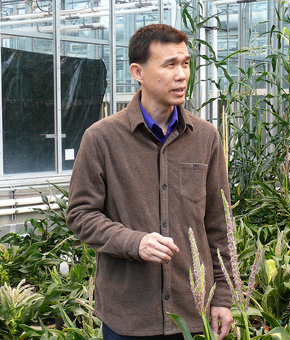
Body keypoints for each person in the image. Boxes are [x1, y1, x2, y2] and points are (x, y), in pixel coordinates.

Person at [67, 24, 233, 340]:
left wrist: (222, 296)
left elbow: (218, 223)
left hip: (192, 311)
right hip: (128, 317)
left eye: (185, 63)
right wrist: (135, 242)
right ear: (137, 72)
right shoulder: (101, 139)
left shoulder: (206, 138)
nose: (182, 74)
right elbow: (80, 215)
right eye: (169, 64)